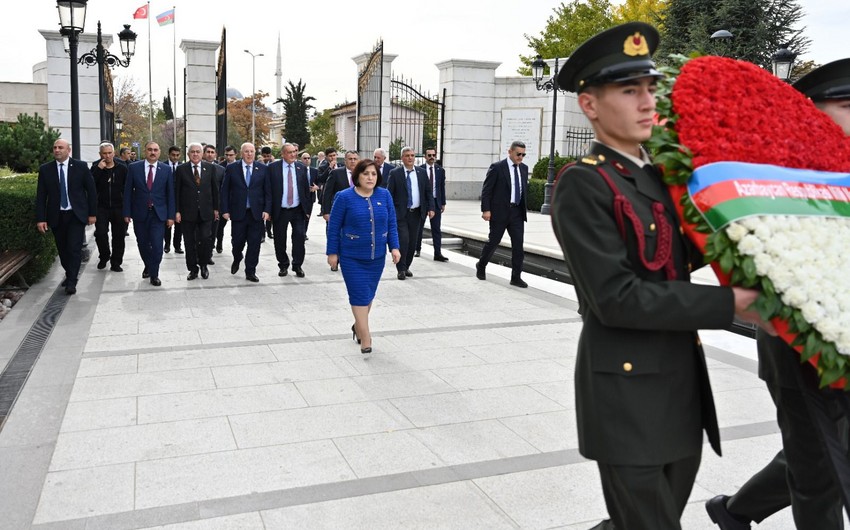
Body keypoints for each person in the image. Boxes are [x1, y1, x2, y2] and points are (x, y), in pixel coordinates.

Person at [550, 22, 775, 530]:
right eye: (630, 91)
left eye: (650, 88)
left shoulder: (651, 175)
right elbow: (617, 297)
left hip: (677, 390)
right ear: (590, 105)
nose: (648, 100)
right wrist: (731, 303)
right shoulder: (584, 183)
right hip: (627, 398)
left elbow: (671, 258)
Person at [706, 58, 850, 530]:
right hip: (795, 346)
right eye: (847, 105)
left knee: (822, 456)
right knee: (817, 470)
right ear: (813, 111)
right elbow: (739, 245)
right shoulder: (772, 172)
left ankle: (734, 511)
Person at [326, 159, 401, 354]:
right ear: (357, 176)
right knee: (359, 294)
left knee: (368, 295)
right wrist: (332, 252)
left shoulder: (384, 195)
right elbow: (334, 227)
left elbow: (392, 223)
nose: (370, 177)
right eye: (366, 173)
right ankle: (365, 336)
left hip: (376, 258)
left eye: (374, 174)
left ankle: (358, 325)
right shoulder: (344, 197)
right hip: (351, 257)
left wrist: (395, 247)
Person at [35, 139, 97, 295]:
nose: (57, 150)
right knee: (62, 250)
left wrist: (92, 214)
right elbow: (41, 196)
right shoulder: (45, 169)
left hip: (76, 215)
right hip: (56, 216)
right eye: (55, 147)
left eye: (60, 147)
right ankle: (70, 273)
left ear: (68, 150)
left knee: (74, 248)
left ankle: (71, 281)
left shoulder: (80, 167)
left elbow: (91, 191)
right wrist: (41, 218)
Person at [475, 141, 529, 287]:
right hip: (500, 212)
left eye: (523, 154)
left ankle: (516, 277)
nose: (521, 157)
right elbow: (487, 190)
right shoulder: (497, 167)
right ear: (510, 152)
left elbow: (523, 190)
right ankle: (481, 264)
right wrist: (486, 210)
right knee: (493, 241)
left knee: (518, 246)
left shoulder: (524, 168)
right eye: (518, 154)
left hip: (517, 213)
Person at [123, 141, 175, 287]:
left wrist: (170, 216)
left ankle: (154, 274)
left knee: (158, 245)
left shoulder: (165, 169)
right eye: (150, 150)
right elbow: (127, 191)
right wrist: (126, 212)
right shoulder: (134, 168)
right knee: (143, 244)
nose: (153, 152)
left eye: (156, 150)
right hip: (140, 213)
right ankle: (149, 264)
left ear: (159, 152)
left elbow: (170, 194)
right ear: (145, 151)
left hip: (158, 214)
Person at [220, 142, 271, 282]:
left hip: (256, 213)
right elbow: (224, 190)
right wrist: (224, 210)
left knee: (254, 244)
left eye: (252, 151)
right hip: (238, 212)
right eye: (246, 151)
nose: (249, 154)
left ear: (255, 153)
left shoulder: (262, 168)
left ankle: (250, 271)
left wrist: (267, 210)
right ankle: (237, 257)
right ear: (241, 153)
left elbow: (268, 191)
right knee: (237, 242)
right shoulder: (232, 168)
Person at [386, 147, 434, 280]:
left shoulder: (422, 173)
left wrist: (431, 208)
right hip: (400, 213)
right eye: (407, 155)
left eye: (412, 155)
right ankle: (400, 269)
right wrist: (390, 212)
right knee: (403, 240)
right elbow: (389, 194)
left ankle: (406, 266)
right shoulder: (395, 173)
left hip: (417, 213)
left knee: (413, 242)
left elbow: (428, 192)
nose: (410, 158)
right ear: (402, 158)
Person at [174, 143, 219, 281]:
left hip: (206, 212)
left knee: (206, 239)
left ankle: (204, 265)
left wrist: (216, 208)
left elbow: (215, 190)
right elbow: (176, 192)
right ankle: (192, 269)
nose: (195, 154)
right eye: (192, 152)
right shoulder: (181, 169)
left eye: (198, 151)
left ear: (202, 154)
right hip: (187, 213)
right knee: (189, 242)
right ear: (188, 154)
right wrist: (176, 211)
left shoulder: (210, 168)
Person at [269, 143, 310, 277]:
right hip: (280, 210)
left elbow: (305, 190)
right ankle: (283, 265)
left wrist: (307, 209)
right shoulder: (273, 168)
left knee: (299, 237)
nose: (293, 155)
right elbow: (268, 191)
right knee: (280, 239)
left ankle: (297, 265)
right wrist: (268, 210)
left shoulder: (301, 168)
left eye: (294, 152)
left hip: (297, 210)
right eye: (289, 152)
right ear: (282, 154)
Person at [91, 141, 128, 272]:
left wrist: (128, 210)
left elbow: (127, 189)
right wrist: (99, 170)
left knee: (119, 235)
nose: (107, 156)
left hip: (119, 207)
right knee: (100, 233)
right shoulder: (96, 166)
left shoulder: (122, 167)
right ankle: (104, 255)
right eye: (104, 154)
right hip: (101, 207)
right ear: (100, 154)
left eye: (109, 153)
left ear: (114, 153)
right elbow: (90, 185)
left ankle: (116, 262)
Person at [417, 147, 448, 261]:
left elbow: (442, 188)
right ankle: (417, 249)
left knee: (436, 228)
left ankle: (437, 253)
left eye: (433, 155)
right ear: (425, 157)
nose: (432, 157)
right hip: (423, 202)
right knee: (419, 227)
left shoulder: (440, 170)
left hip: (435, 202)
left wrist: (443, 202)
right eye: (429, 155)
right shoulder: (420, 170)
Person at [321, 150, 359, 221]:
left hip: (357, 211)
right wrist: (326, 212)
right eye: (350, 159)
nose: (353, 161)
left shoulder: (362, 174)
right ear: (345, 160)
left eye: (355, 159)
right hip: (338, 211)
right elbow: (327, 193)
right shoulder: (336, 173)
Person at [203, 144, 225, 264]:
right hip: (201, 206)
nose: (210, 154)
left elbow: (223, 190)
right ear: (203, 153)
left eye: (212, 152)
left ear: (215, 154)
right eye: (208, 152)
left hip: (216, 208)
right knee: (201, 234)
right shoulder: (197, 168)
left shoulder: (221, 170)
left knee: (213, 233)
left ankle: (208, 255)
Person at [215, 145, 238, 253]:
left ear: (236, 155)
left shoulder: (240, 166)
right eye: (227, 155)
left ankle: (237, 246)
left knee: (237, 227)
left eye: (231, 155)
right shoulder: (220, 167)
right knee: (220, 225)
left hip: (237, 200)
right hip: (224, 200)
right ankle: (219, 243)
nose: (229, 157)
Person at [163, 145, 183, 254]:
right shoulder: (163, 165)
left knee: (179, 225)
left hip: (179, 199)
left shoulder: (182, 167)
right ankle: (167, 245)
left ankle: (177, 246)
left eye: (177, 155)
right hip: (166, 199)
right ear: (169, 155)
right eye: (173, 155)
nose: (175, 157)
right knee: (168, 224)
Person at [299, 151, 319, 237]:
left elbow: (319, 182)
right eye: (305, 158)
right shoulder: (298, 170)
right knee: (300, 216)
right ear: (301, 160)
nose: (307, 160)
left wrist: (316, 187)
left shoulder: (314, 171)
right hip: (300, 197)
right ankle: (300, 232)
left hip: (310, 197)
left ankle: (304, 233)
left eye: (308, 158)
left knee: (308, 216)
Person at [260, 146, 275, 241]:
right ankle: (262, 234)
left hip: (271, 193)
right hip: (261, 194)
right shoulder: (258, 164)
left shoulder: (274, 165)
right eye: (264, 156)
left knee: (270, 214)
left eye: (268, 156)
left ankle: (269, 231)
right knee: (261, 215)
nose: (266, 158)